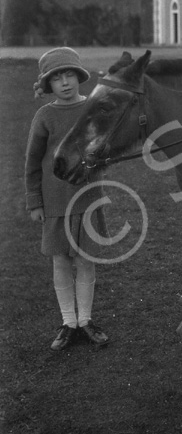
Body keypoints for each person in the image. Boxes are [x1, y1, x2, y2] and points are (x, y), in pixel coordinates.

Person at [25, 47, 110, 351]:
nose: (65, 82)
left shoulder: (94, 109)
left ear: (79, 76)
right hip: (55, 202)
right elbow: (33, 162)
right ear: (48, 84)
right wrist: (35, 201)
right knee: (61, 260)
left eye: (69, 74)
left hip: (87, 199)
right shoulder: (45, 116)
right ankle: (68, 323)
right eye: (57, 77)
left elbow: (106, 150)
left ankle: (85, 321)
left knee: (86, 260)